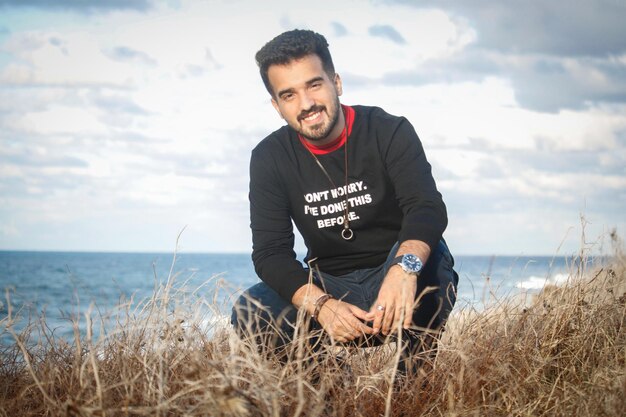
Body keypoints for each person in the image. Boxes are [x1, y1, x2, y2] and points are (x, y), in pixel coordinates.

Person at [231, 29, 458, 375]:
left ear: (336, 82)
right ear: (277, 107)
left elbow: (425, 207)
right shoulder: (269, 158)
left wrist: (402, 270)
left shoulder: (387, 130)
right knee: (250, 310)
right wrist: (321, 305)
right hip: (330, 284)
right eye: (289, 95)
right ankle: (331, 392)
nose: (306, 104)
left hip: (393, 272)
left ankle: (413, 380)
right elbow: (270, 253)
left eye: (314, 85)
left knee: (431, 257)